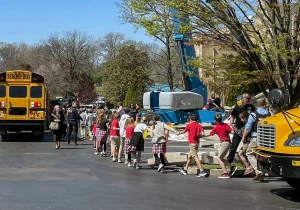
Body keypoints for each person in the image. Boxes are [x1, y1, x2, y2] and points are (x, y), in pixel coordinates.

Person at [242, 100, 272, 181]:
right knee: (262, 155)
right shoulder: (270, 114)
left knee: (249, 153)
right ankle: (263, 174)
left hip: (257, 138)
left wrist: (244, 136)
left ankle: (258, 171)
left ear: (257, 105)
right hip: (268, 138)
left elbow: (248, 127)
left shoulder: (253, 114)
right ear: (264, 105)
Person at [227, 93, 255, 168]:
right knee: (234, 144)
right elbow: (232, 115)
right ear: (243, 98)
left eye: (249, 98)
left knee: (247, 145)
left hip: (248, 129)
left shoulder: (251, 107)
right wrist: (232, 124)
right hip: (239, 128)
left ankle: (248, 162)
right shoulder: (237, 107)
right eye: (247, 98)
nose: (249, 100)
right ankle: (230, 160)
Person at [205, 113, 235, 178]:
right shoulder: (226, 125)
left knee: (219, 158)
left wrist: (201, 135)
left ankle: (226, 173)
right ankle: (231, 167)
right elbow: (232, 132)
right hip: (228, 142)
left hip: (224, 143)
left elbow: (210, 134)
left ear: (215, 120)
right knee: (221, 158)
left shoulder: (216, 127)